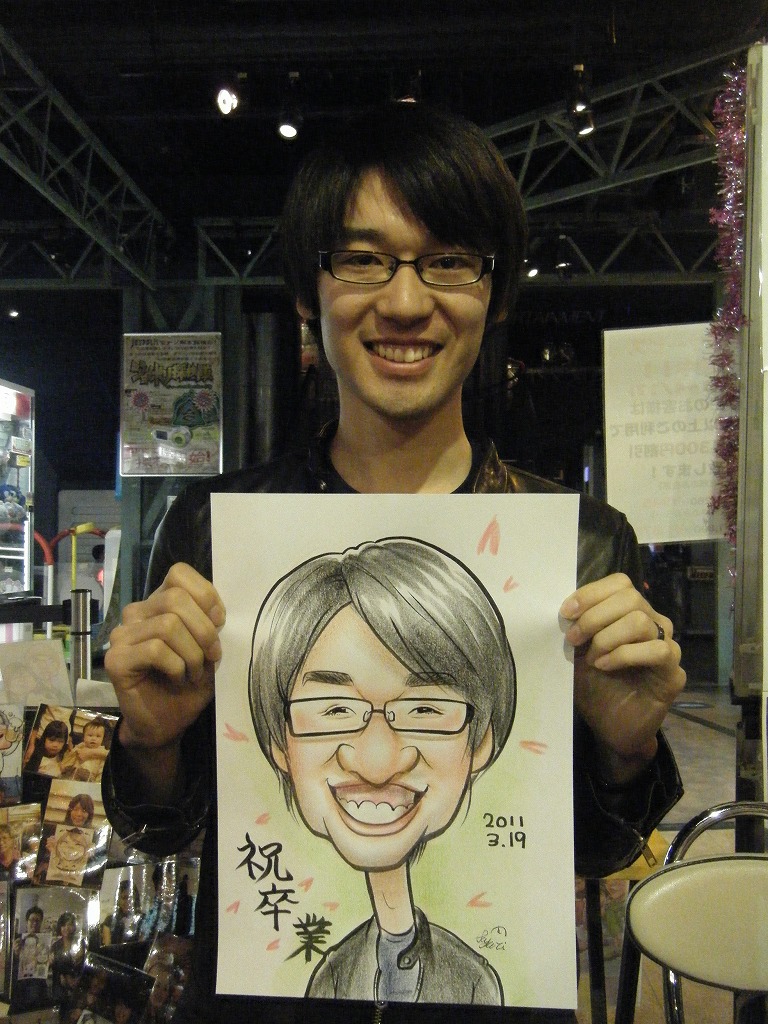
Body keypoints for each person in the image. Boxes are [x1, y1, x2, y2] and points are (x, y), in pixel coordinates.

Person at [102, 102, 685, 1023]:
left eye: (448, 260)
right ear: (308, 293)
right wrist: (153, 743)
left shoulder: (581, 544)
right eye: (363, 259)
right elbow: (170, 830)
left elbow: (588, 853)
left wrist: (625, 752)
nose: (407, 303)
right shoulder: (215, 534)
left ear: (495, 294)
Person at [250, 537, 515, 1003]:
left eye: (424, 709)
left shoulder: (473, 979)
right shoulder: (332, 974)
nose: (376, 763)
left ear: (481, 741)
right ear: (279, 743)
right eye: (334, 709)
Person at [60, 717, 111, 782]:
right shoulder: (79, 748)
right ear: (84, 737)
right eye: (90, 735)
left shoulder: (102, 754)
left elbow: (102, 772)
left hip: (91, 780)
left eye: (98, 736)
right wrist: (67, 767)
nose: (93, 739)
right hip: (73, 779)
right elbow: (67, 761)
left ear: (103, 738)